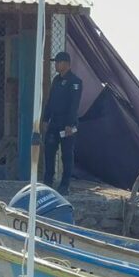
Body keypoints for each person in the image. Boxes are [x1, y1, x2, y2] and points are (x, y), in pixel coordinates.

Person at [42, 51, 82, 195]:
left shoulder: (75, 82)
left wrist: (70, 124)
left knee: (66, 155)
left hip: (67, 125)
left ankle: (65, 184)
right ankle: (48, 181)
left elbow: (74, 104)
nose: (55, 65)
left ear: (65, 63)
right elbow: (50, 101)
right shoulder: (56, 80)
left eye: (57, 62)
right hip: (55, 123)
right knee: (49, 151)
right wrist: (45, 119)